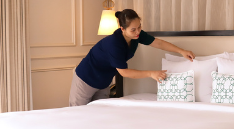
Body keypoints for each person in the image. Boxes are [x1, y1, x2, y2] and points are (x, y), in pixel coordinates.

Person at [68, 9, 196, 106]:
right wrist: (151, 73)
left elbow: (158, 43)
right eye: (133, 29)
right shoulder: (114, 44)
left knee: (100, 115)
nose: (138, 32)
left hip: (104, 81)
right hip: (85, 79)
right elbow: (124, 72)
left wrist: (181, 51)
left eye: (139, 27)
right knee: (76, 114)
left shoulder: (136, 36)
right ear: (122, 29)